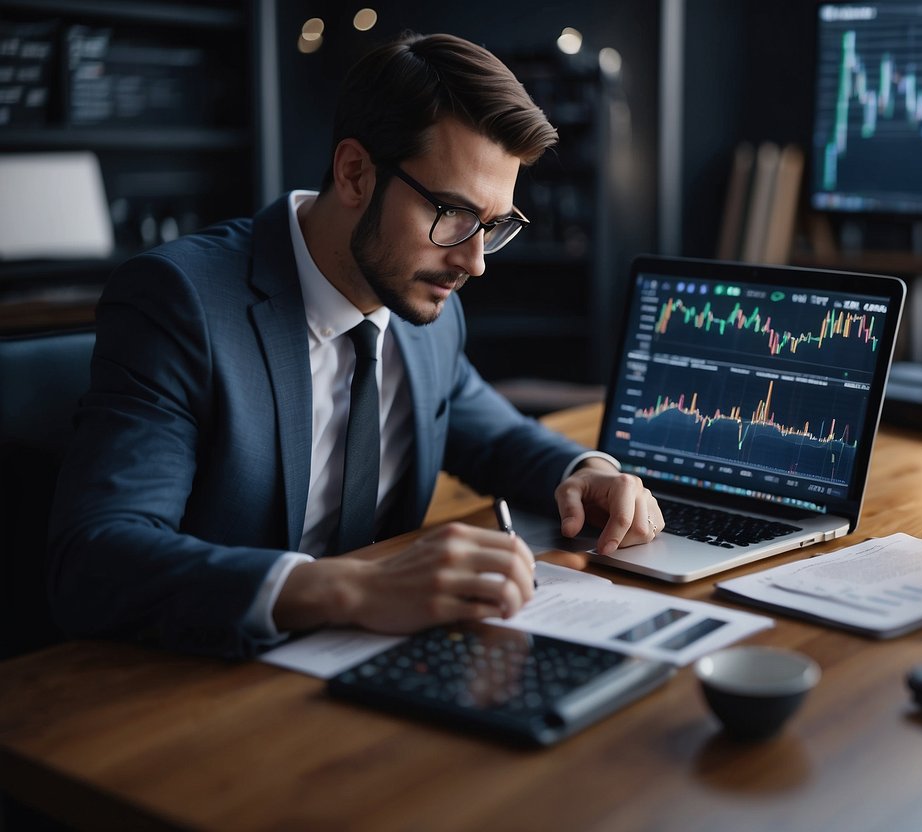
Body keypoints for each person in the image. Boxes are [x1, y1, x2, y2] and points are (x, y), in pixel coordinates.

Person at [47, 32, 664, 659]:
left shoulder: (427, 305)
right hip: (212, 679)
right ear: (354, 174)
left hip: (386, 663)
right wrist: (354, 589)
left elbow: (494, 433)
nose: (475, 262)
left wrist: (588, 471)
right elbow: (97, 556)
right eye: (452, 214)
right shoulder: (181, 303)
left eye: (493, 225)